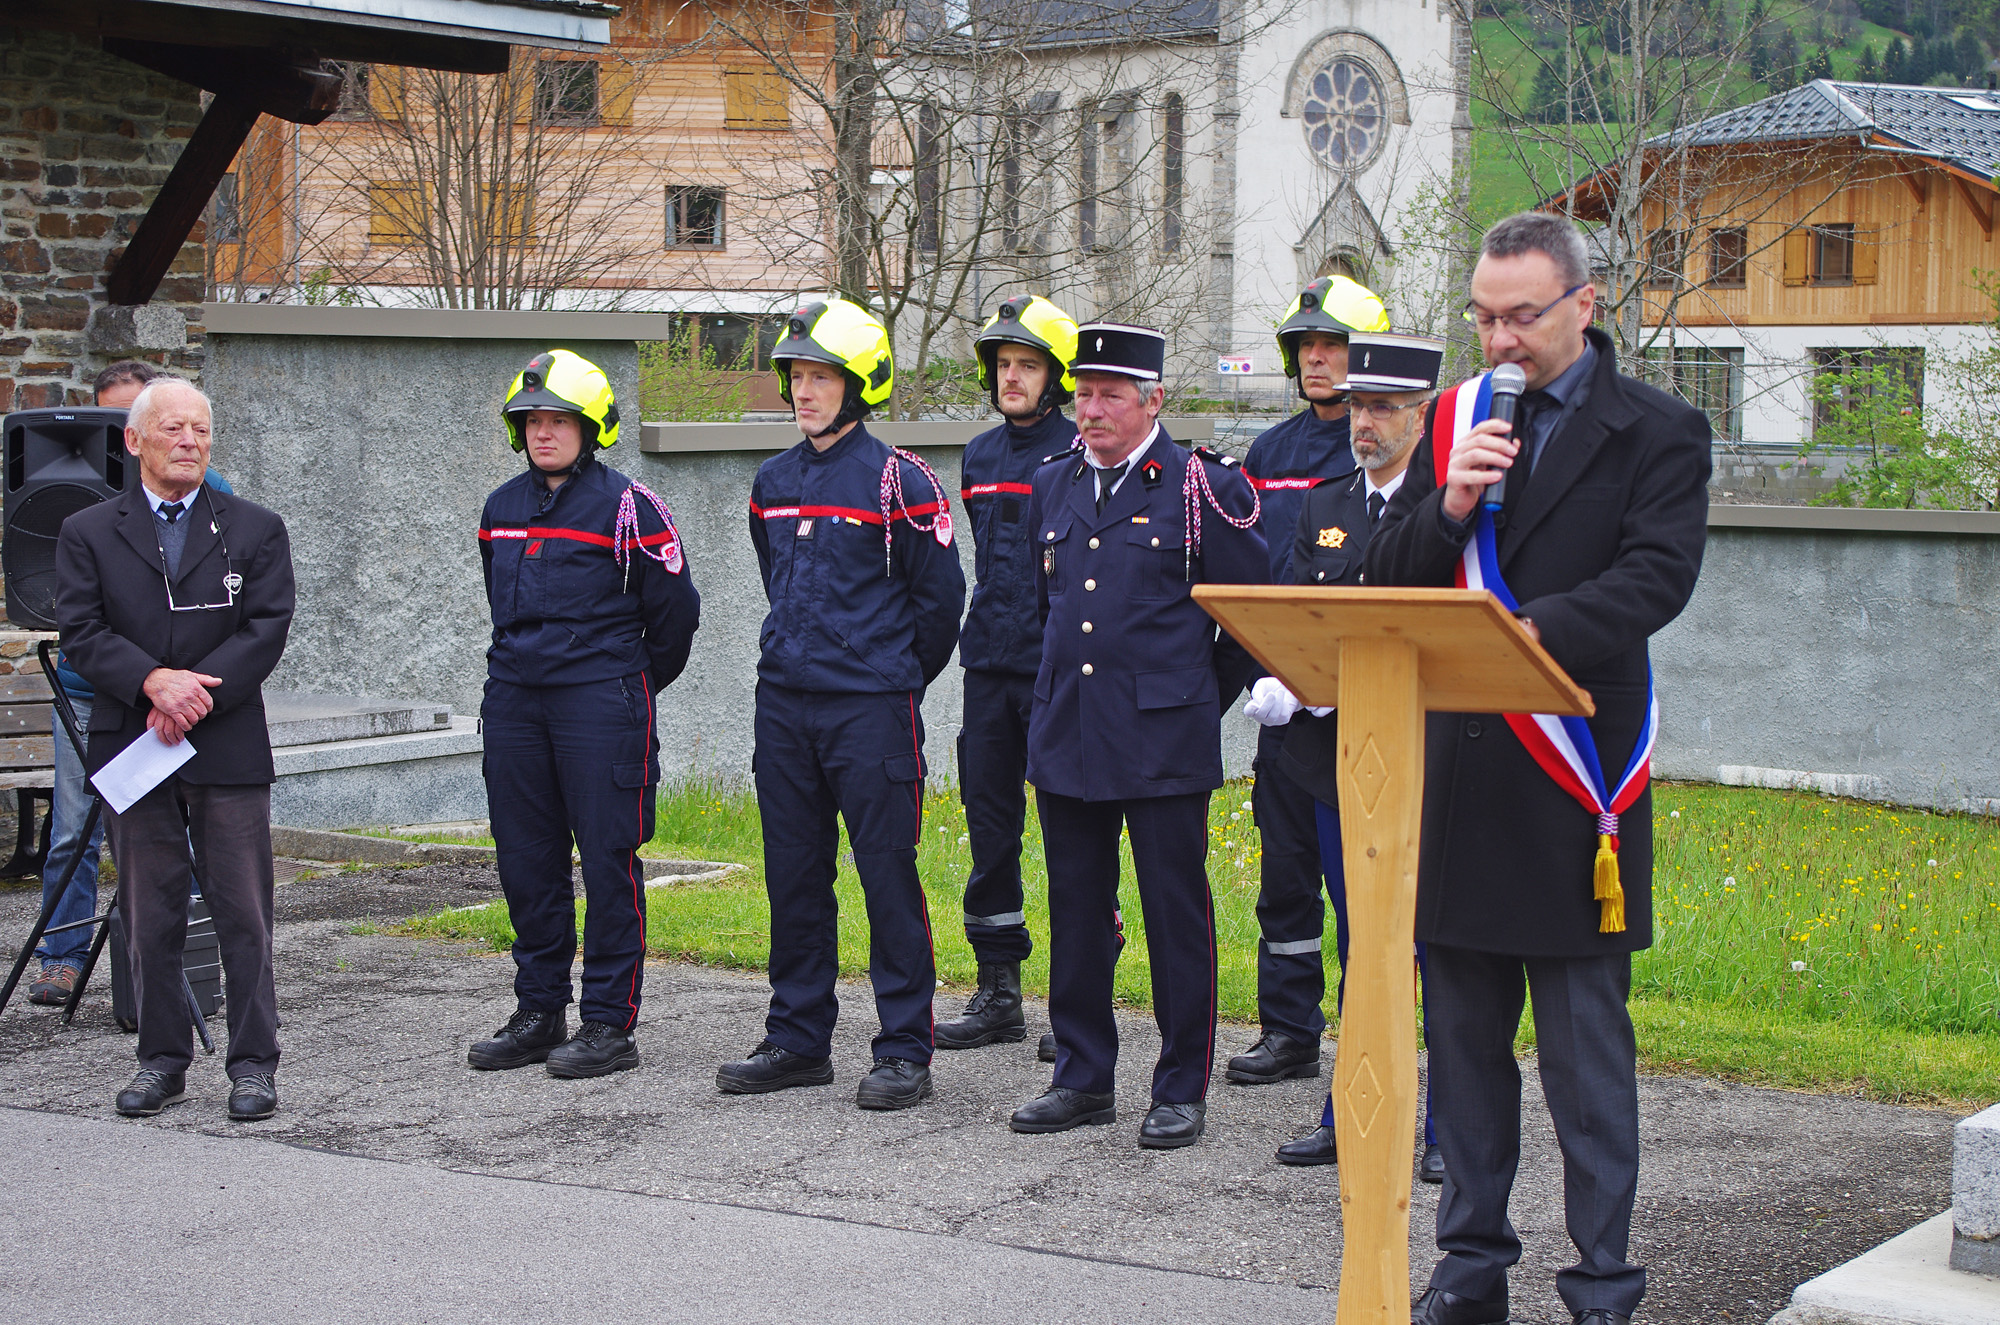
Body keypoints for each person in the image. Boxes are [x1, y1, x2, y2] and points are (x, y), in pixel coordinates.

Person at [1363, 212, 1710, 1325]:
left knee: (1582, 1061)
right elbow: (1389, 574)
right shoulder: (1458, 417)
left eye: (1520, 316)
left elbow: (1653, 580)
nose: (1498, 339)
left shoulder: (1657, 427)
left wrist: (1520, 634)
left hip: (1572, 781)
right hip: (1463, 778)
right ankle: (1469, 1263)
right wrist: (1451, 500)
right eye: (1481, 315)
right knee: (1462, 1053)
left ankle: (1600, 1277)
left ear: (1583, 304)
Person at [1008, 323, 1267, 1149]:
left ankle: (1181, 1083)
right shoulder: (1052, 483)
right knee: (1077, 912)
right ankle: (1082, 1075)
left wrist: (1191, 701)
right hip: (1069, 734)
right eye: (1082, 393)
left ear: (1153, 400)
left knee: (1174, 916)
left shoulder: (1198, 487)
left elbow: (1250, 617)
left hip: (1162, 742)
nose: (1090, 409)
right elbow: (1044, 610)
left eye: (1110, 394)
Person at [718, 298, 965, 1111]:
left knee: (885, 874)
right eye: (797, 376)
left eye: (822, 376)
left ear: (859, 384)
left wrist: (890, 676)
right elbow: (775, 579)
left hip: (870, 710)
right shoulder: (772, 481)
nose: (805, 391)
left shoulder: (903, 480)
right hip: (785, 706)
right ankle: (797, 1036)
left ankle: (903, 1047)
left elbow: (940, 606)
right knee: (793, 875)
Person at [55, 378, 296, 1121]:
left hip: (224, 744)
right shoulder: (88, 532)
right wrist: (153, 683)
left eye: (199, 429)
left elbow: (266, 627)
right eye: (172, 429)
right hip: (136, 741)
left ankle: (254, 1065)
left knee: (243, 913)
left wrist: (196, 696)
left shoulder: (254, 528)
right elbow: (82, 631)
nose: (189, 441)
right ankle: (162, 1060)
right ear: (135, 441)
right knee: (149, 912)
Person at [1241, 331, 1448, 1178]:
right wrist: (1290, 677)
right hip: (1333, 762)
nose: (1365, 421)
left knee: (1433, 947)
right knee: (1361, 942)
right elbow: (1298, 611)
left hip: (1426, 763)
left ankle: (1444, 1121)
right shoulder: (1327, 504)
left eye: (1384, 408)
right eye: (1359, 406)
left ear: (1423, 414)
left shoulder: (1448, 506)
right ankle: (1351, 1105)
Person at [466, 349, 701, 1079]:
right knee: (526, 860)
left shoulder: (632, 506)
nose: (543, 432)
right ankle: (539, 1009)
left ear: (590, 424)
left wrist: (621, 685)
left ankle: (606, 1021)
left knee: (606, 861)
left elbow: (676, 618)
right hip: (514, 703)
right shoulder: (500, 509)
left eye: (559, 419)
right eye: (532, 419)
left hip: (601, 704)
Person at [1222, 275, 1388, 1090]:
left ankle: (1373, 1032)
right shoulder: (1270, 453)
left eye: (1333, 346)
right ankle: (1289, 1027)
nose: (1317, 359)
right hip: (1281, 701)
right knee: (1284, 868)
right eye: (1306, 347)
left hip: (1361, 703)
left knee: (1362, 881)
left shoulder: (1380, 455)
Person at [28, 361, 232, 1007]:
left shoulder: (202, 484)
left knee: (185, 831)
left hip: (175, 704)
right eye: (117, 419)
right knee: (75, 829)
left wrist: (175, 689)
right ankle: (60, 955)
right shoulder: (72, 493)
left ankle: (188, 964)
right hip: (94, 694)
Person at [936, 295, 1081, 1061]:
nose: (1012, 377)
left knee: (1070, 841)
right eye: (1002, 365)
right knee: (993, 834)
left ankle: (1074, 1002)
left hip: (1058, 670)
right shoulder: (981, 455)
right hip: (987, 665)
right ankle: (998, 992)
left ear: (1055, 375)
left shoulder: (1077, 450)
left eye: (1027, 365)